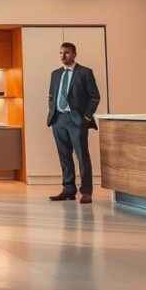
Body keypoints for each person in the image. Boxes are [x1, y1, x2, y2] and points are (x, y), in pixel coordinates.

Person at [47, 42, 101, 204]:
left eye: (67, 53)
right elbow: (52, 95)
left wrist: (85, 117)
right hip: (58, 119)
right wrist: (53, 112)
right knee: (64, 156)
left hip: (76, 120)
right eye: (61, 53)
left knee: (82, 156)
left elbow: (95, 97)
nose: (63, 56)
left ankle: (86, 192)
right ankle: (68, 189)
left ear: (75, 54)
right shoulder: (55, 74)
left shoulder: (85, 73)